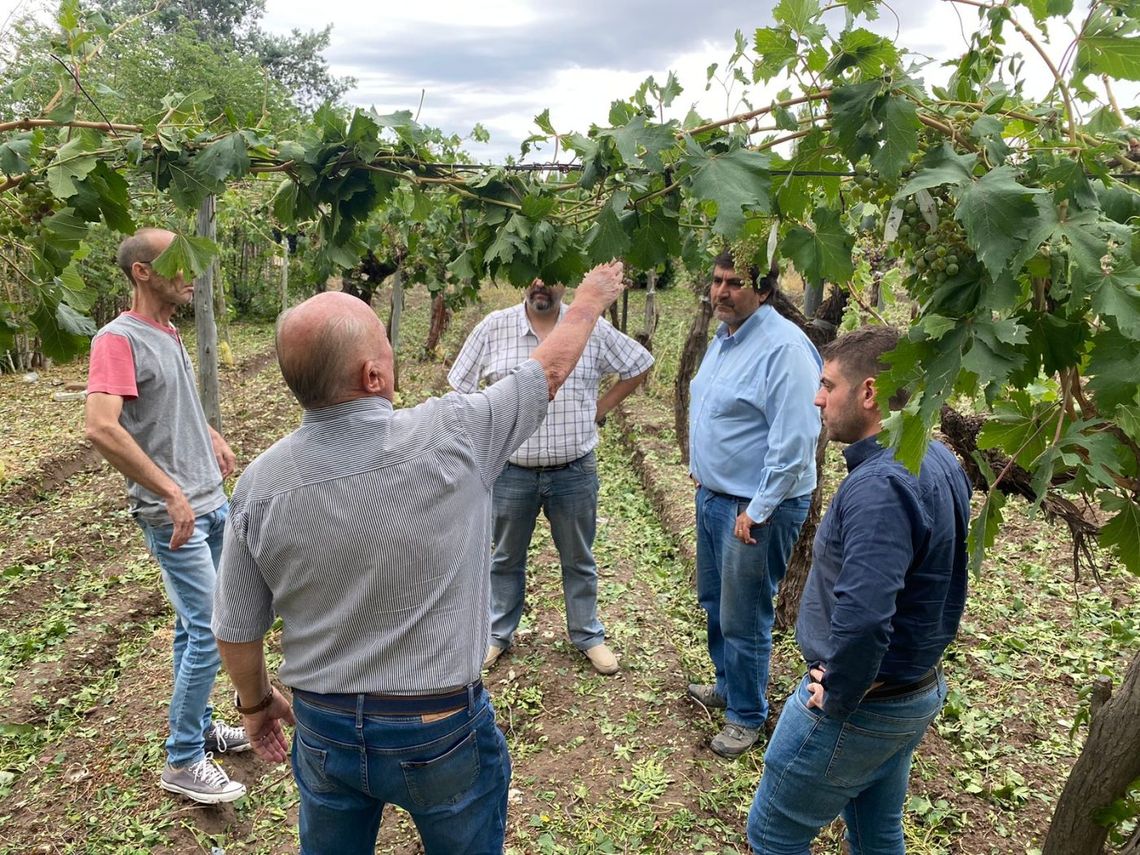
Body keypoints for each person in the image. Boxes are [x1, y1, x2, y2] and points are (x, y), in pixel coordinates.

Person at [211, 263, 625, 855]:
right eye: (387, 345)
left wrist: (254, 705)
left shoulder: (258, 485)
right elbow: (550, 369)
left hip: (321, 728)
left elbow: (235, 630)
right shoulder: (453, 433)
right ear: (374, 374)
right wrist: (587, 301)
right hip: (438, 729)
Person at [747, 326, 971, 854]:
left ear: (869, 392)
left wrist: (841, 690)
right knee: (877, 832)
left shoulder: (879, 487)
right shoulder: (937, 457)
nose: (817, 397)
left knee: (772, 836)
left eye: (828, 384)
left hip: (862, 706)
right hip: (913, 692)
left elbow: (867, 615)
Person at [85, 228, 249, 804]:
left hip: (211, 500)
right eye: (178, 263)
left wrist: (209, 434)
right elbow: (102, 427)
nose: (191, 274)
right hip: (174, 513)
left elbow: (165, 407)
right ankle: (182, 758)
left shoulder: (168, 333)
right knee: (212, 629)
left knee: (192, 626)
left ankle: (200, 728)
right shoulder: (116, 339)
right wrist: (169, 492)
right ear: (142, 272)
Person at [449, 277, 653, 675]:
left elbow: (639, 364)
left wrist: (599, 408)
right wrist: (489, 428)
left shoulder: (589, 327)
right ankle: (496, 634)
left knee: (579, 558)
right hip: (511, 470)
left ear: (568, 283)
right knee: (505, 558)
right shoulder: (494, 327)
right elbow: (459, 385)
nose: (541, 285)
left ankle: (588, 635)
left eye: (552, 278)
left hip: (573, 469)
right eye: (534, 276)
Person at [687, 249, 822, 758]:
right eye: (717, 280)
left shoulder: (784, 348)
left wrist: (757, 509)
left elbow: (795, 440)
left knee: (745, 614)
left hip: (754, 508)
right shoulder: (724, 338)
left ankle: (746, 715)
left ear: (763, 290)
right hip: (717, 496)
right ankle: (727, 685)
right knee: (715, 602)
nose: (721, 291)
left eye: (734, 283)